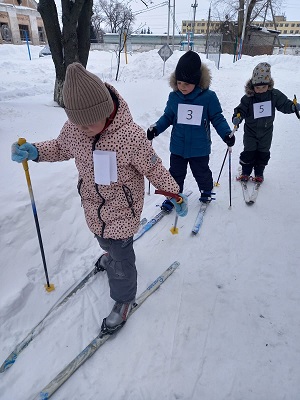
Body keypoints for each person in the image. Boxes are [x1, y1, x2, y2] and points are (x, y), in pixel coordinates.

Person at [11, 62, 188, 336]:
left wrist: (172, 191)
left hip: (122, 210)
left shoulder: (130, 136)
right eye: (76, 122)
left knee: (121, 257)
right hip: (93, 206)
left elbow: (153, 166)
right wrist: (35, 151)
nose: (82, 129)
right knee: (102, 239)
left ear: (105, 111)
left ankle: (123, 298)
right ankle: (110, 255)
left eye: (88, 123)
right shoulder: (74, 128)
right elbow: (60, 147)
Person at [147, 50, 234, 211]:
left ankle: (206, 190)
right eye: (179, 83)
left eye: (187, 84)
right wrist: (156, 128)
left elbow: (217, 118)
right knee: (175, 174)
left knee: (201, 172)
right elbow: (167, 117)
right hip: (178, 147)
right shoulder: (174, 97)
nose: (182, 87)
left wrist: (226, 133)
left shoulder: (208, 98)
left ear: (197, 81)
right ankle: (173, 195)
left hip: (199, 148)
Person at [233, 62, 300, 183]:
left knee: (263, 152)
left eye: (263, 87)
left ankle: (259, 173)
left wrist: (292, 107)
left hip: (266, 131)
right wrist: (237, 118)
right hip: (251, 131)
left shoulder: (274, 95)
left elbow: (284, 104)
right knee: (249, 151)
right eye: (257, 88)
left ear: (268, 85)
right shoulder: (248, 98)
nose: (260, 90)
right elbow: (240, 110)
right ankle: (246, 172)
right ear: (253, 86)